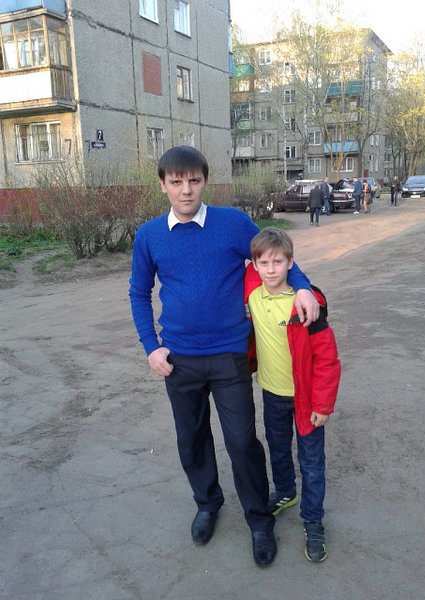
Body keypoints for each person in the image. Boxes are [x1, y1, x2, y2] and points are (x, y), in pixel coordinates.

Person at [129, 146, 320, 567]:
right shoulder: (149, 235)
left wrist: (304, 287)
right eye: (176, 182)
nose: (186, 190)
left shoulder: (232, 224)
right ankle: (207, 503)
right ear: (163, 185)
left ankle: (258, 520)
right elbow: (139, 293)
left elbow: (276, 256)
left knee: (241, 440)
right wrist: (150, 346)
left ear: (205, 182)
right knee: (192, 438)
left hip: (229, 354)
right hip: (179, 359)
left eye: (194, 181)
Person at [244, 228, 341, 562]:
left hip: (306, 400)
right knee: (278, 449)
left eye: (278, 262)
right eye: (264, 263)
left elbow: (328, 359)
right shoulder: (252, 295)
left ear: (291, 263)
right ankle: (286, 491)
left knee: (311, 463)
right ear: (255, 265)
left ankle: (313, 521)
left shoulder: (307, 306)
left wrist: (323, 405)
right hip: (272, 394)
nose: (271, 269)